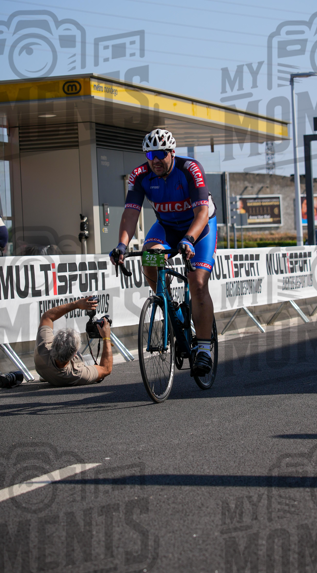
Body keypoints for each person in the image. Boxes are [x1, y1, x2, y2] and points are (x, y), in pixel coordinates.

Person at [109, 128, 216, 376]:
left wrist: (189, 239)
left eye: (160, 154)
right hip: (167, 227)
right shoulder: (139, 174)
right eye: (149, 154)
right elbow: (130, 214)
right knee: (149, 256)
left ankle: (203, 348)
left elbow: (201, 213)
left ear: (171, 153)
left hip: (198, 228)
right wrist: (122, 246)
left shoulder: (190, 169)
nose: (155, 160)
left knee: (198, 282)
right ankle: (167, 303)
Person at [34, 296, 113, 386]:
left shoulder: (42, 349)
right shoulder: (77, 373)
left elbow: (47, 316)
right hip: (67, 373)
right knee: (90, 360)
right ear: (75, 354)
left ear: (54, 343)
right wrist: (106, 337)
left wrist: (76, 304)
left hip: (47, 370)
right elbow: (106, 369)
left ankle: (46, 375)